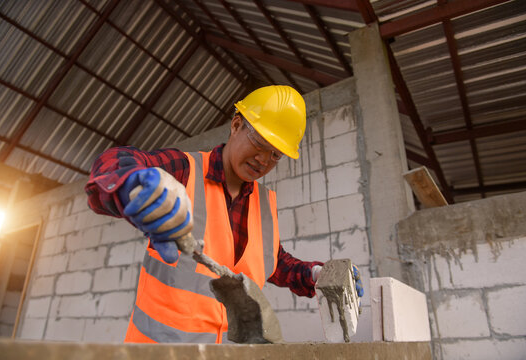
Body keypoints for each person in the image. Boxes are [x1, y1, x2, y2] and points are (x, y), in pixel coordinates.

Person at [85, 85, 363, 344]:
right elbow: (116, 161)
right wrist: (129, 183)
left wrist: (315, 274)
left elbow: (274, 263)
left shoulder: (265, 203)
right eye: (260, 143)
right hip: (158, 351)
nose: (264, 160)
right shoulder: (184, 170)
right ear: (236, 125)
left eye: (276, 155)